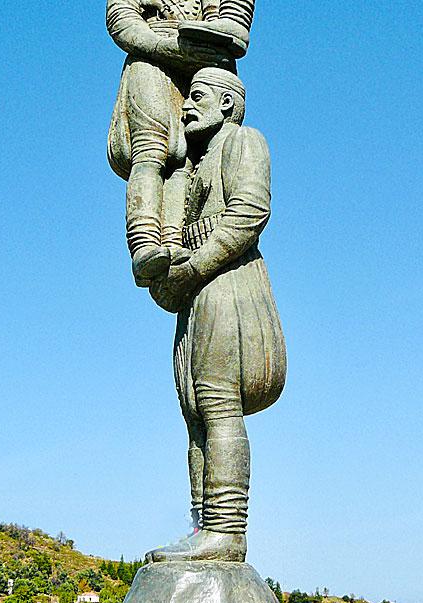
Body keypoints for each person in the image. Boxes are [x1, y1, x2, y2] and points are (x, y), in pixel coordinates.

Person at [146, 67, 286, 562]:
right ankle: (202, 525)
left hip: (227, 284)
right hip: (195, 295)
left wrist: (196, 268)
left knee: (217, 403)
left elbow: (250, 212)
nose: (186, 108)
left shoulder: (245, 141)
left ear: (227, 104)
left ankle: (227, 531)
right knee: (194, 413)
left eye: (197, 97)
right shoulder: (194, 164)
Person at [106, 0, 256, 286]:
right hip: (152, 57)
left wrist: (217, 36)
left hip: (203, 64)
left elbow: (235, 23)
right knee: (151, 151)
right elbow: (121, 17)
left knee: (185, 161)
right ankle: (145, 242)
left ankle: (175, 243)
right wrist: (162, 46)